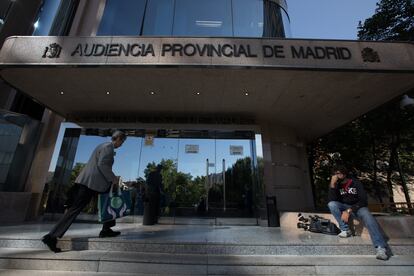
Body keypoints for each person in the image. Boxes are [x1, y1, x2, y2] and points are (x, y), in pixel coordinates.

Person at [42, 130, 127, 253]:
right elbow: (102, 164)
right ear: (118, 138)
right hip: (91, 183)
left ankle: (106, 229)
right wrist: (113, 179)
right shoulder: (108, 147)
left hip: (94, 183)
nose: (121, 144)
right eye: (122, 141)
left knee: (106, 203)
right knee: (76, 209)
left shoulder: (102, 146)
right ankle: (51, 237)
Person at [327, 165, 389, 260]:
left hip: (358, 207)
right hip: (344, 206)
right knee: (332, 204)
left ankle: (381, 248)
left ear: (344, 173)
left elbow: (363, 200)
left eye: (338, 173)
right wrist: (332, 184)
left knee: (368, 216)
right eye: (334, 174)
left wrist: (349, 210)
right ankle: (345, 230)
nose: (336, 176)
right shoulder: (337, 185)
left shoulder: (355, 182)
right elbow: (332, 200)